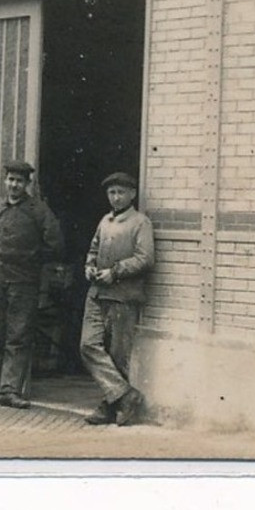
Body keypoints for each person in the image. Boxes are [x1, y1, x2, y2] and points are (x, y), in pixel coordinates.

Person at [0, 159, 62, 408]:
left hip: (24, 281)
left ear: (27, 184)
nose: (14, 185)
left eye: (19, 181)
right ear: (5, 181)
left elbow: (55, 243)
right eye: (11, 180)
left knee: (18, 334)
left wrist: (31, 262)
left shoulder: (39, 211)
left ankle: (10, 390)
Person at [80, 171, 153, 427]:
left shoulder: (140, 223)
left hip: (123, 296)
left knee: (117, 354)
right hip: (97, 293)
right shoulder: (105, 221)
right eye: (111, 192)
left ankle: (109, 407)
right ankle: (127, 395)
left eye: (121, 192)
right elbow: (92, 249)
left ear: (132, 194)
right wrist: (89, 267)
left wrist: (116, 272)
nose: (116, 197)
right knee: (88, 345)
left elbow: (145, 258)